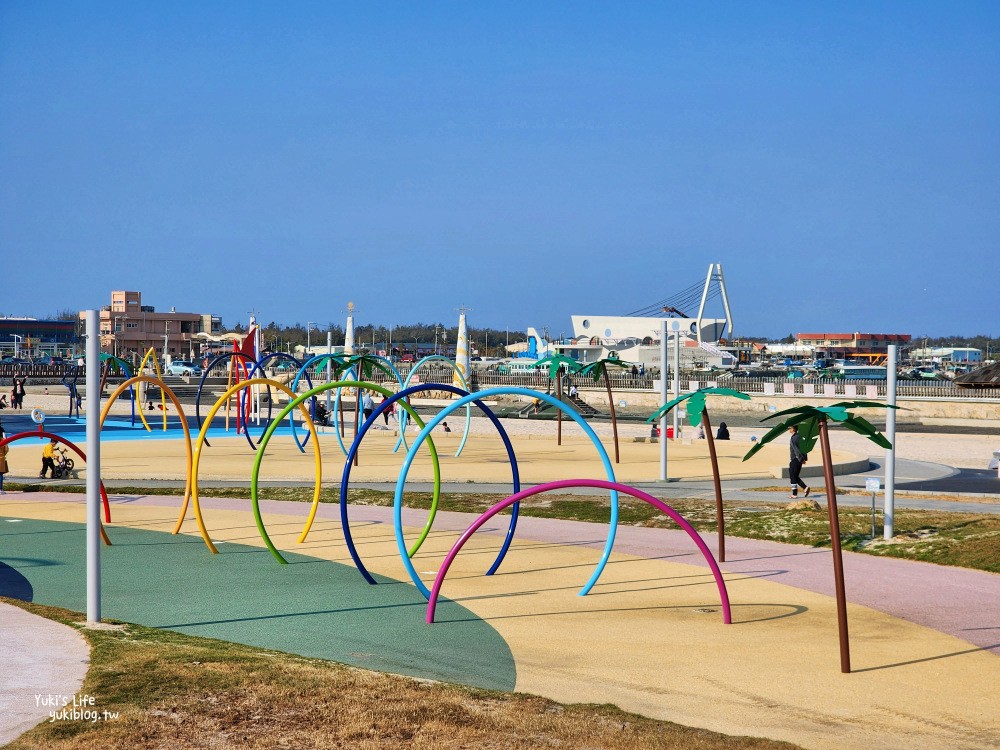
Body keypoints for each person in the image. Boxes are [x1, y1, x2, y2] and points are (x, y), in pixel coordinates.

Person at [788, 425, 810, 499]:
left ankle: (794, 494)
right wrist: (804, 458)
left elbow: (796, 450)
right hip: (799, 459)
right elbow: (804, 448)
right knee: (795, 476)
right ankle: (805, 487)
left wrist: (801, 459)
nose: (789, 429)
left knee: (792, 476)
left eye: (790, 428)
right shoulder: (800, 437)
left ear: (793, 429)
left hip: (795, 459)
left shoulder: (793, 438)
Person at [0, 429, 9, 494]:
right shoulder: (3, 440)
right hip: (1, 459)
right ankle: (0, 489)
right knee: (0, 474)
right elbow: (6, 449)